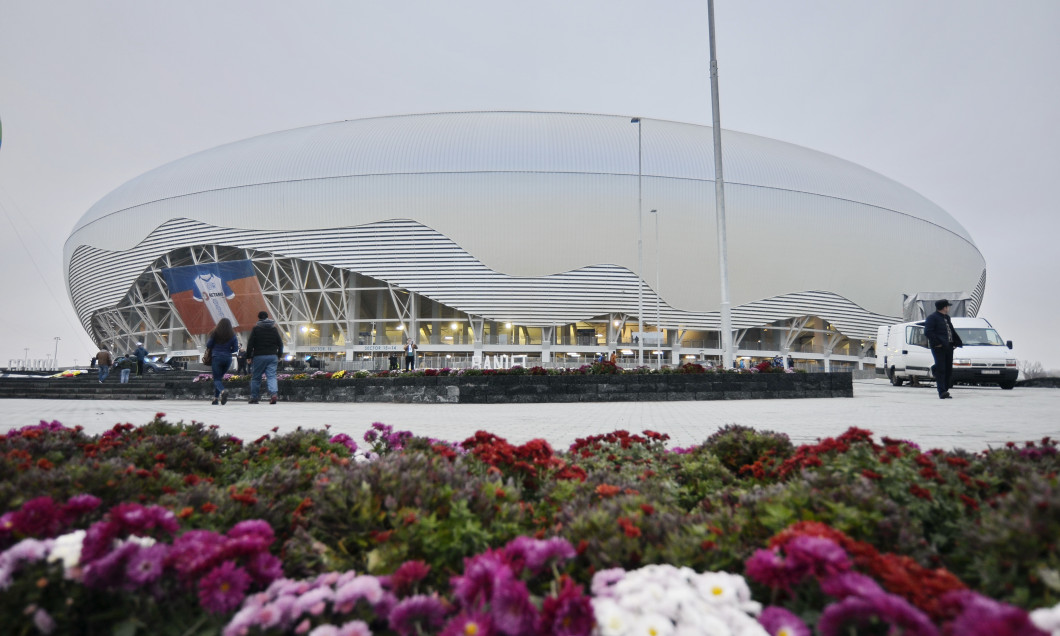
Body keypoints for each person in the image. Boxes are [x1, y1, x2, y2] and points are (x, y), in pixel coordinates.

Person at [924, 299, 964, 399]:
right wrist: (937, 343)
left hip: (949, 346)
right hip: (939, 348)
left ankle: (944, 388)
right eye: (947, 306)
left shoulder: (947, 318)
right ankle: (942, 391)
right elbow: (928, 332)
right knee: (941, 369)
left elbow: (951, 331)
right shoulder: (932, 318)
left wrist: (956, 342)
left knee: (948, 369)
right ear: (944, 307)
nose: (949, 308)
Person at [246, 310, 283, 404]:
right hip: (272, 356)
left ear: (259, 318)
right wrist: (279, 355)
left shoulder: (256, 329)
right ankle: (273, 394)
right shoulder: (274, 329)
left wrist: (248, 356)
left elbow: (250, 344)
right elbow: (280, 344)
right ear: (267, 317)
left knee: (256, 377)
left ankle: (254, 398)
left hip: (259, 356)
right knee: (271, 376)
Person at [205, 318, 239, 405]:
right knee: (219, 378)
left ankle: (223, 391)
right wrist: (227, 352)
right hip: (228, 358)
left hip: (217, 357)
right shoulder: (232, 335)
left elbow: (208, 345)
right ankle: (215, 399)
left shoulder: (215, 333)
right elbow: (235, 348)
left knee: (216, 378)